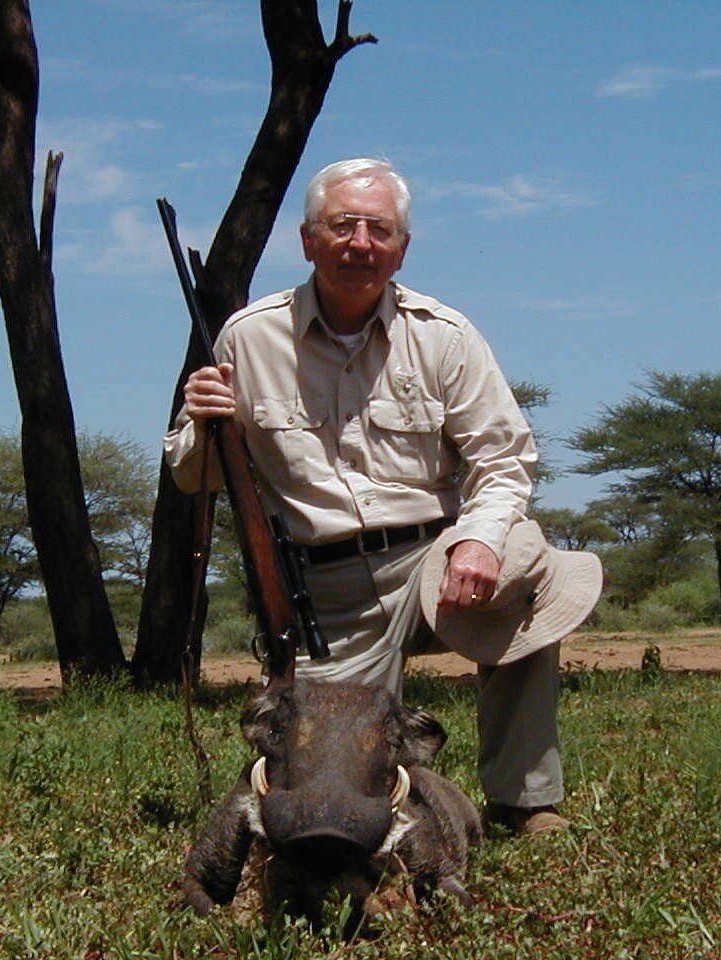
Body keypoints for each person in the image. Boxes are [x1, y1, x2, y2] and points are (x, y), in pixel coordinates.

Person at [164, 157, 602, 835]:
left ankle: (525, 803)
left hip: (434, 561)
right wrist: (202, 422)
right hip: (326, 588)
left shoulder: (444, 336)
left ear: (402, 249)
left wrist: (479, 541)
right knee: (327, 794)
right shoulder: (247, 337)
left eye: (379, 229)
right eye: (342, 226)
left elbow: (504, 457)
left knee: (528, 564)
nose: (360, 243)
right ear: (309, 240)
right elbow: (197, 478)